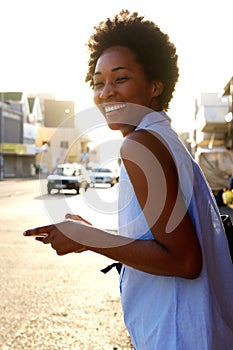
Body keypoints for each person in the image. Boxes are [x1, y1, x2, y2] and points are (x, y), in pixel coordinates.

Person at [23, 10, 233, 349]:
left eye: (120, 79)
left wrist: (89, 237)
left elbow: (184, 260)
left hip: (176, 334)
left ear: (154, 86)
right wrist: (92, 233)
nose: (106, 92)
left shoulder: (139, 145)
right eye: (98, 82)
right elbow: (163, 238)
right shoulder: (162, 137)